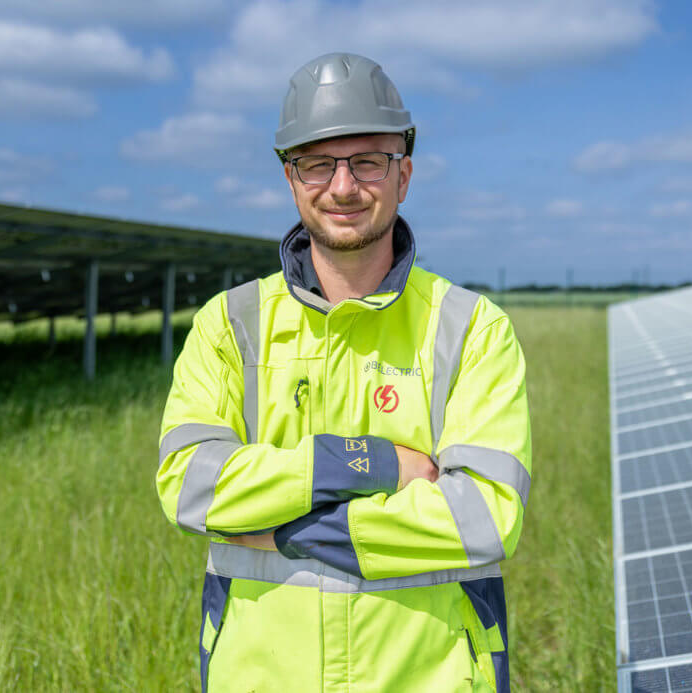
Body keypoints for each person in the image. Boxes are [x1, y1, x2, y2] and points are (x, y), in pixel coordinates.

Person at [157, 52, 532, 692]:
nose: (342, 186)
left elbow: (484, 518)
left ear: (404, 174)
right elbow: (191, 486)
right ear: (290, 176)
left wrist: (284, 533)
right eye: (316, 163)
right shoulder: (229, 325)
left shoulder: (471, 328)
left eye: (367, 161)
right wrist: (371, 464)